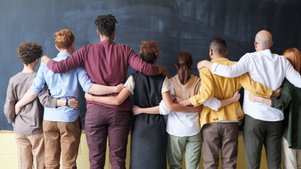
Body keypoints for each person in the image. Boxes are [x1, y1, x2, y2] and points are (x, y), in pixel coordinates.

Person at [40, 14, 168, 169]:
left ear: (98, 32)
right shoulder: (125, 50)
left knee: (95, 160)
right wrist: (162, 69)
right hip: (119, 113)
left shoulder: (86, 51)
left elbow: (58, 67)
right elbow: (147, 69)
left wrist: (44, 58)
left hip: (95, 112)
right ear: (114, 32)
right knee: (118, 159)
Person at [197, 30, 301, 169]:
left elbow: (229, 72)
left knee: (253, 164)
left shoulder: (249, 58)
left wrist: (207, 63)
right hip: (275, 120)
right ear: (271, 44)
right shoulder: (282, 61)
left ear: (255, 44)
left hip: (254, 119)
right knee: (274, 164)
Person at [15, 29, 123, 169]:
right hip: (69, 118)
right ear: (73, 44)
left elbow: (34, 91)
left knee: (51, 162)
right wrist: (115, 89)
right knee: (69, 163)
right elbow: (89, 88)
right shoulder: (77, 65)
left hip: (49, 118)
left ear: (56, 46)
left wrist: (19, 104)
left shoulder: (45, 66)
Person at [85, 41, 201, 169]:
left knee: (138, 163)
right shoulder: (164, 79)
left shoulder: (133, 78)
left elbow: (117, 100)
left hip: (140, 127)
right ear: (157, 59)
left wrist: (92, 98)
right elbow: (168, 107)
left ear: (140, 59)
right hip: (157, 127)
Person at [177, 38, 277, 169]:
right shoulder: (237, 67)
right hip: (231, 120)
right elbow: (253, 86)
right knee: (230, 163)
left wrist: (186, 102)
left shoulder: (205, 68)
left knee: (210, 163)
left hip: (210, 121)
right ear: (226, 52)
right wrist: (272, 93)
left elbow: (206, 94)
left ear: (211, 52)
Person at [132, 50, 242, 169]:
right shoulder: (199, 82)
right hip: (194, 131)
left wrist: (141, 110)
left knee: (175, 166)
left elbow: (165, 108)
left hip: (175, 132)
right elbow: (208, 104)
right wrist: (195, 108)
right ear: (191, 65)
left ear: (175, 65)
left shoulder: (169, 83)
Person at [4, 41, 79, 169]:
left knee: (23, 165)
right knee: (40, 164)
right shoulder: (38, 77)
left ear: (21, 58)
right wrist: (66, 102)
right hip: (36, 128)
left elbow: (8, 106)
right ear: (37, 60)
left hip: (20, 129)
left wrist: (13, 121)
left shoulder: (13, 79)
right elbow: (46, 100)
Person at [249, 48, 301, 169]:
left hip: (291, 133)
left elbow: (282, 104)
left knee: (290, 167)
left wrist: (260, 99)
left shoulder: (287, 83)